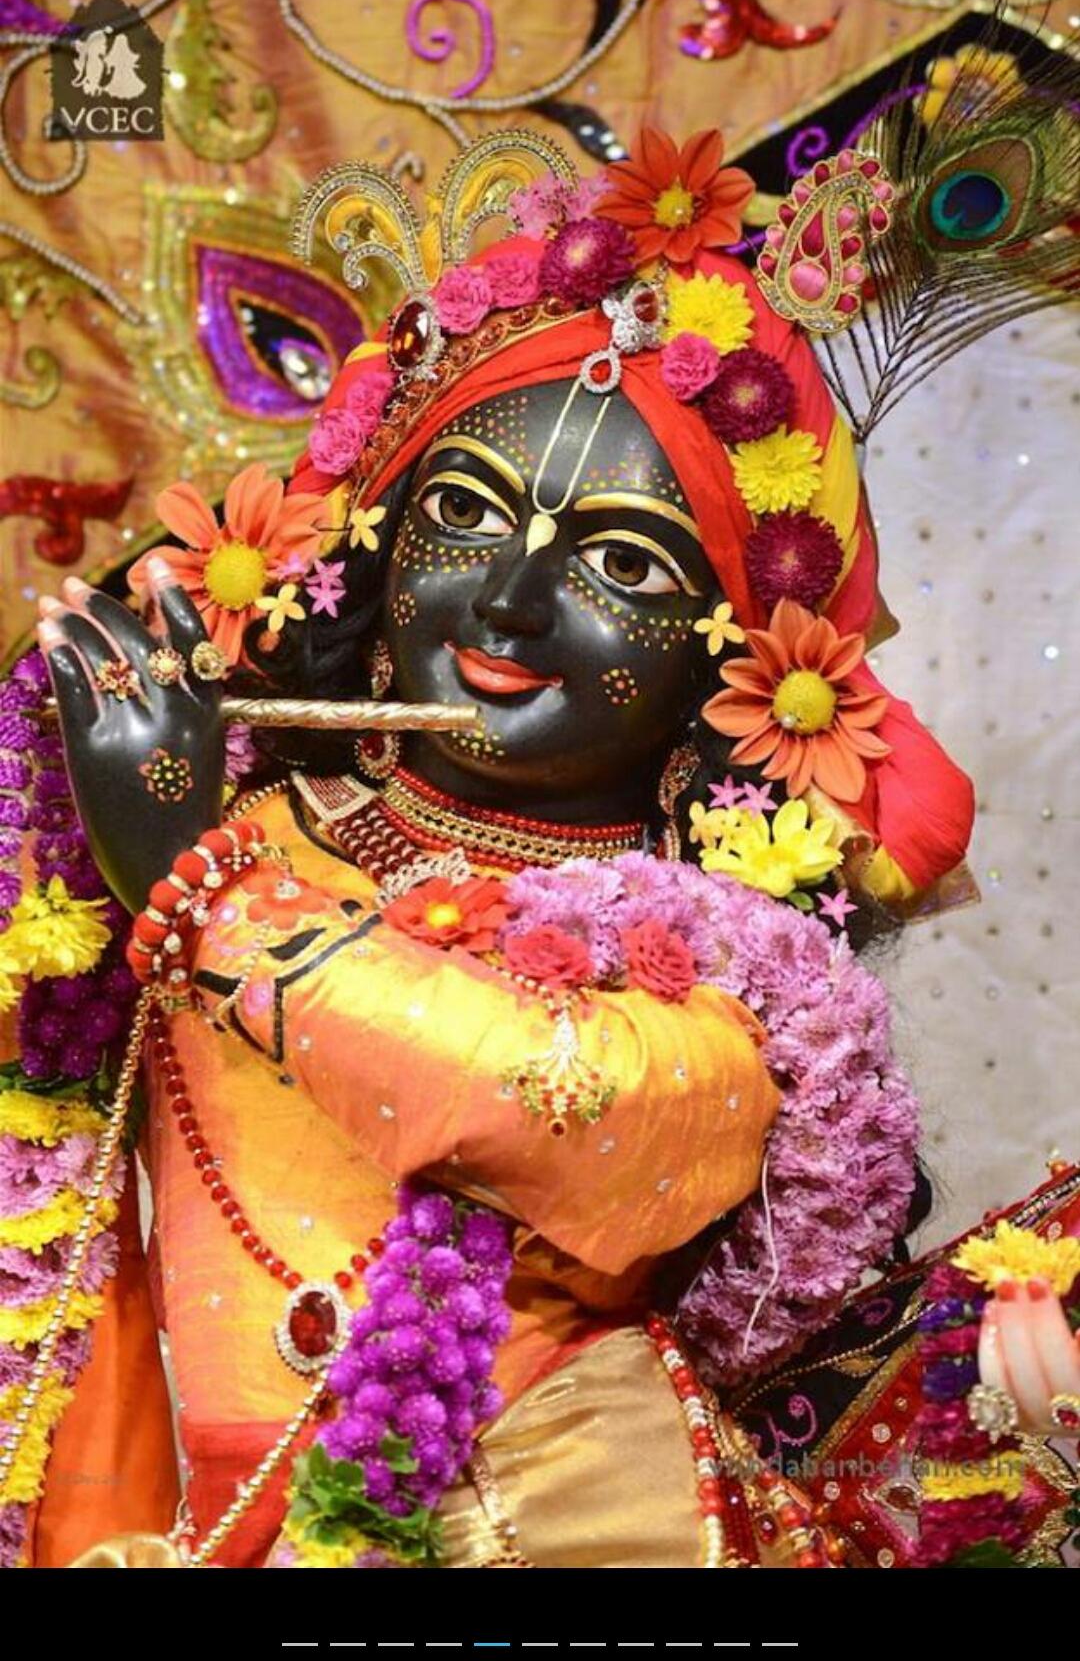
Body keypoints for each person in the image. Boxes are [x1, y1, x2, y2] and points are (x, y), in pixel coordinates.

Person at [10, 117, 1080, 1569]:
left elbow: (556, 1110)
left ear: (729, 658)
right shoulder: (231, 822)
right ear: (376, 538)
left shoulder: (723, 961)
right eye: (464, 512)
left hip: (551, 1529)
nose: (510, 605)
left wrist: (199, 888)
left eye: (623, 562)